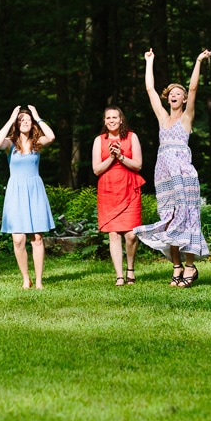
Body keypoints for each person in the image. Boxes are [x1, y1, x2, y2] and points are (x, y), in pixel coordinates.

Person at [134, 48, 211, 288]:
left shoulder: (187, 118)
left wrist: (198, 61)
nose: (174, 96)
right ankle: (176, 265)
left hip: (184, 176)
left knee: (186, 218)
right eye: (171, 94)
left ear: (184, 98)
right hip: (164, 175)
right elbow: (149, 90)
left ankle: (190, 266)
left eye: (179, 93)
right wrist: (149, 62)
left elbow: (195, 88)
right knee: (169, 219)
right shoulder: (162, 117)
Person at [0, 105, 56, 289]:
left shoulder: (38, 143)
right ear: (16, 123)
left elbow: (52, 137)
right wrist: (12, 117)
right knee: (18, 239)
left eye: (28, 120)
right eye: (21, 120)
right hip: (16, 192)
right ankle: (25, 278)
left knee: (37, 238)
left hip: (35, 190)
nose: (25, 122)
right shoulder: (10, 144)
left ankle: (38, 281)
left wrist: (37, 116)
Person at [92, 106, 146, 286]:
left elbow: (138, 165)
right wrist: (112, 157)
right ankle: (119, 276)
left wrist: (121, 157)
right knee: (113, 234)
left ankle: (130, 268)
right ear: (104, 121)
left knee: (131, 234)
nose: (112, 120)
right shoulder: (99, 141)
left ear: (121, 119)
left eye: (115, 117)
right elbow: (96, 169)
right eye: (108, 118)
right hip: (108, 190)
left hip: (129, 188)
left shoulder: (132, 137)